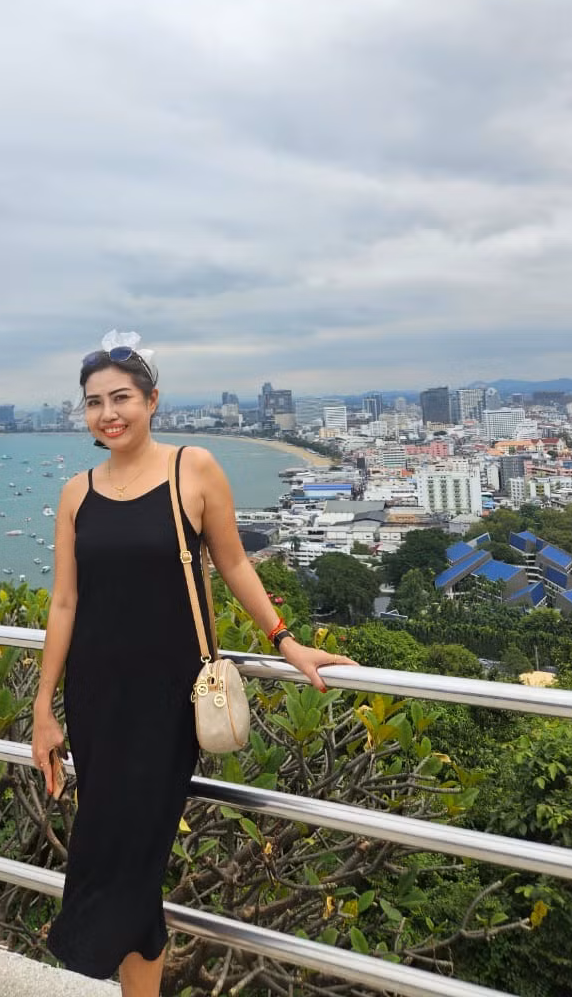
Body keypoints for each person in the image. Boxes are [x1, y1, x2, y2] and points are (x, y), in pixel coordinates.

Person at [31, 332, 358, 996]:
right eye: (93, 402)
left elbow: (233, 563)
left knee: (131, 857)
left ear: (152, 400)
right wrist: (43, 707)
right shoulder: (75, 494)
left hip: (167, 699)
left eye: (121, 397)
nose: (107, 413)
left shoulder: (194, 469)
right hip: (96, 699)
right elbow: (65, 603)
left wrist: (285, 639)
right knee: (121, 859)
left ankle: (95, 955)